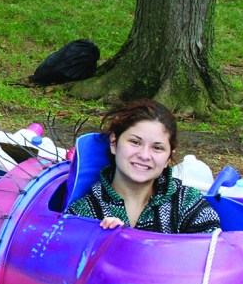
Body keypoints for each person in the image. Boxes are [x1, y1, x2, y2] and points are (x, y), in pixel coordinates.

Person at [65, 100, 220, 234]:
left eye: (157, 148)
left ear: (168, 158)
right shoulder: (83, 212)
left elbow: (214, 254)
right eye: (135, 142)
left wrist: (134, 241)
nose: (144, 155)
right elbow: (66, 261)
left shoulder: (187, 203)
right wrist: (103, 240)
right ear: (114, 142)